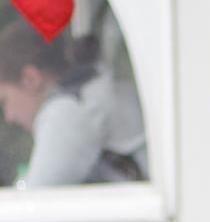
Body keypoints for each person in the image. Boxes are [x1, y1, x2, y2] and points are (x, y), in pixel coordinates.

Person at [0, 19, 147, 187]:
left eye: (5, 101)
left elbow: (36, 203)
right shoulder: (91, 88)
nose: (9, 116)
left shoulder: (66, 111)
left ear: (30, 79)